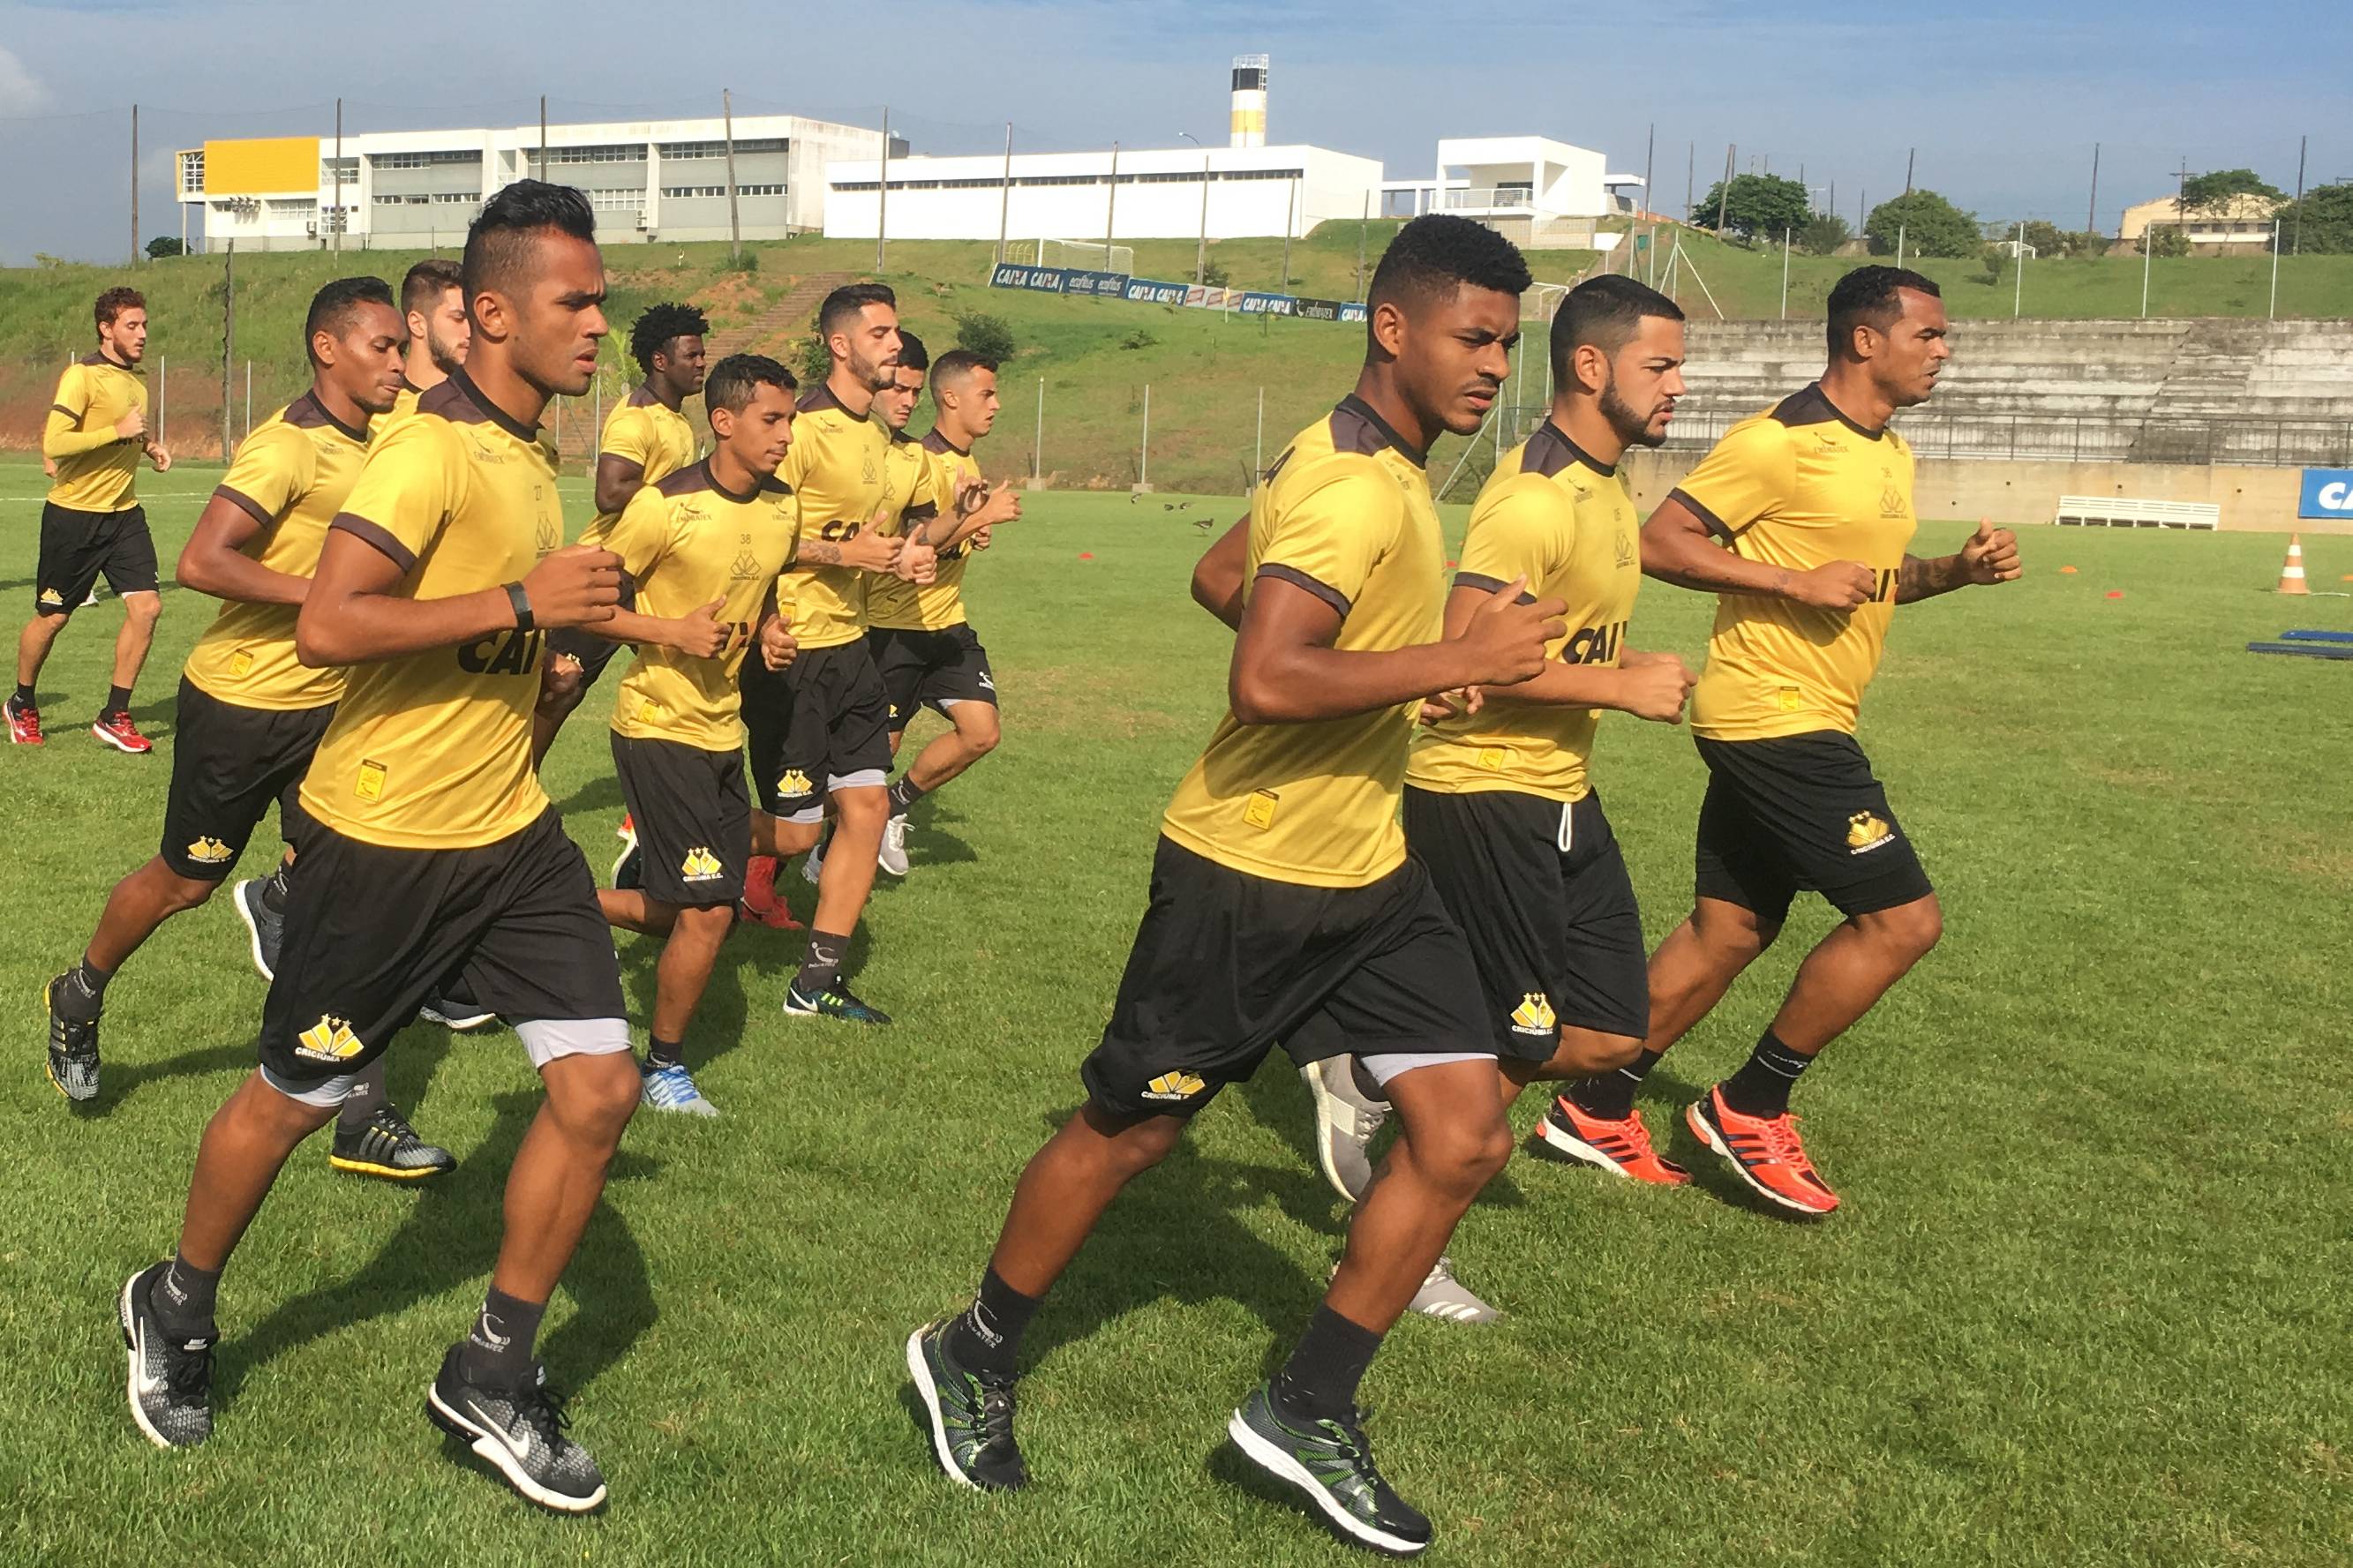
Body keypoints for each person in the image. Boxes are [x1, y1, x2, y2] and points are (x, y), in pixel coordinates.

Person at [906, 214, 1562, 1558]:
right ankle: (970, 1351)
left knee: (1462, 1133)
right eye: (1474, 337)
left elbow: (1222, 576)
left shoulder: (1361, 462)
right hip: (1246, 874)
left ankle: (1304, 1404)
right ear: (1394, 329)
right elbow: (1264, 672)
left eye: (1510, 341)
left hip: (1370, 871)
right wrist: (1455, 664)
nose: (1498, 364)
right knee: (1130, 1132)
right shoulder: (1352, 486)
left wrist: (1394, 665)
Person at [116, 182, 638, 1515]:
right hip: (385, 842)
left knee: (594, 1090)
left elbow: (486, 634)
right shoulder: (428, 452)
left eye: (599, 297)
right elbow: (333, 627)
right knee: (290, 1099)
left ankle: (492, 1367)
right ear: (495, 312)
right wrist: (523, 597)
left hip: (512, 834)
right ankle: (175, 1299)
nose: (597, 322)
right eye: (575, 301)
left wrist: (552, 656)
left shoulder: (531, 455)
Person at [1631, 266, 2020, 1215]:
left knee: (1728, 929)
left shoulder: (1888, 455)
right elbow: (1656, 540)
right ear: (1862, 340)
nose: (1943, 350)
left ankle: (1596, 1100)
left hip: (1804, 715)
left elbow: (1873, 583)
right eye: (1926, 334)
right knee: (1901, 921)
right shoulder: (1778, 444)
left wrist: (1952, 573)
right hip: (1775, 719)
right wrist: (1788, 583)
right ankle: (1750, 1103)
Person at [46, 278, 457, 1172]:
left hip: (337, 709)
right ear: (327, 349)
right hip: (241, 706)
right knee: (185, 880)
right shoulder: (287, 449)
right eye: (382, 348)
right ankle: (79, 992)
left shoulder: (391, 438)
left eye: (402, 347)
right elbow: (202, 560)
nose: (398, 363)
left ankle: (363, 1117)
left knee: (356, 897)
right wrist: (327, 595)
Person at [594, 353, 802, 1115]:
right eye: (771, 420)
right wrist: (669, 632)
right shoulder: (664, 505)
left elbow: (767, 591)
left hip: (722, 730)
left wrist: (773, 634)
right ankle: (664, 1068)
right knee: (712, 909)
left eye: (789, 420)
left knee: (697, 898)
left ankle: (543, 911)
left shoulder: (784, 506)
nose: (785, 435)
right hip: (656, 723)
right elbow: (586, 604)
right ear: (724, 422)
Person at [740, 282, 935, 1024]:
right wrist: (834, 555)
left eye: (896, 331)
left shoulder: (881, 440)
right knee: (797, 831)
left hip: (853, 649)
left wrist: (910, 555)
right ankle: (670, 824)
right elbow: (754, 531)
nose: (895, 345)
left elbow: (889, 534)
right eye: (881, 333)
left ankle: (815, 981)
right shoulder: (802, 430)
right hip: (794, 653)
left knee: (866, 805)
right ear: (842, 345)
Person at [866, 343, 1020, 877]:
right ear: (950, 397)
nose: (996, 404)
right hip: (894, 629)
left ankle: (894, 806)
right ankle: (808, 854)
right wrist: (979, 520)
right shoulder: (917, 459)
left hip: (946, 623)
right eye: (987, 393)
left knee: (982, 732)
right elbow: (909, 541)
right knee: (868, 763)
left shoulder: (965, 461)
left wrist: (972, 533)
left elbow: (944, 538)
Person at [533, 301, 710, 767]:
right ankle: (509, 784)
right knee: (560, 689)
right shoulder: (637, 417)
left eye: (701, 354)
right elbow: (610, 492)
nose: (701, 363)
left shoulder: (676, 420)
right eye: (690, 356)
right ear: (660, 361)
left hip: (645, 570)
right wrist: (679, 493)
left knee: (680, 680)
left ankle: (657, 800)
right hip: (605, 569)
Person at [11, 287, 171, 752]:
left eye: (144, 324)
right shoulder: (81, 376)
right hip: (74, 517)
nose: (142, 334)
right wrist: (116, 432)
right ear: (106, 329)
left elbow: (128, 430)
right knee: (53, 617)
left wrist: (148, 445)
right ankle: (22, 702)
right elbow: (54, 443)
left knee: (148, 608)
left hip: (124, 516)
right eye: (132, 326)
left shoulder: (137, 381)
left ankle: (114, 714)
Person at [390, 257, 469, 421]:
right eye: (458, 318)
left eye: (473, 319)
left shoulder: (486, 408)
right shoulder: (381, 412)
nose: (471, 331)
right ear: (417, 324)